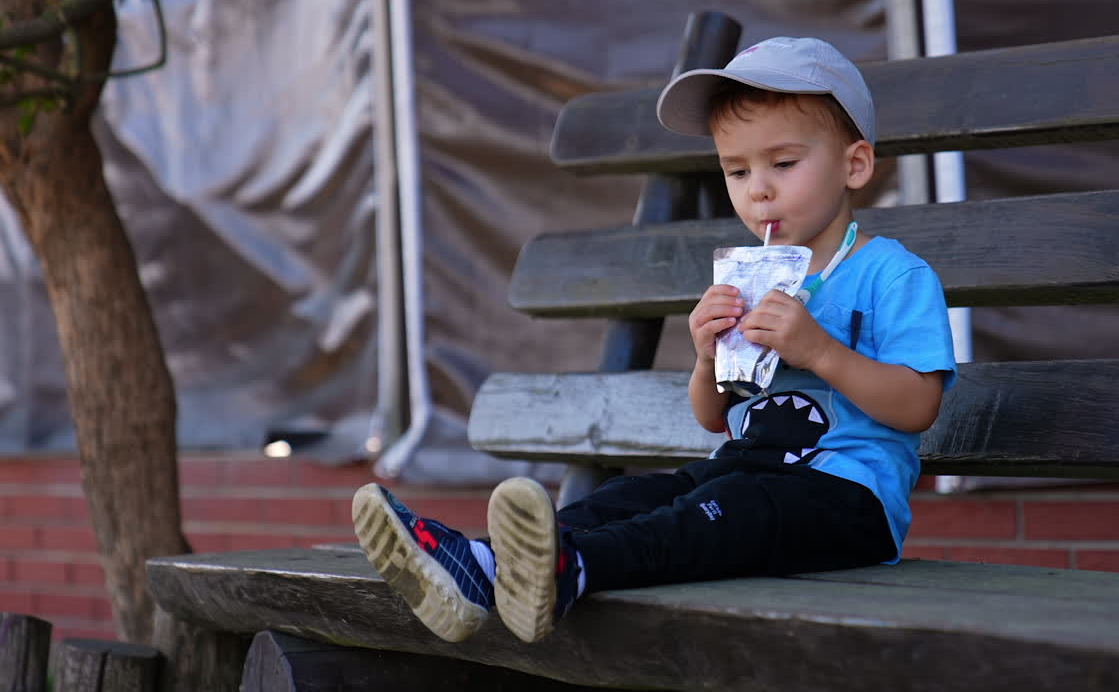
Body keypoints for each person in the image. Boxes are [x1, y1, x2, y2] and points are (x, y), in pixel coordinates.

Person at [351, 36, 956, 646]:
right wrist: (706, 358)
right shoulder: (751, 279)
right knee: (638, 494)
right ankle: (481, 568)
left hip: (848, 500)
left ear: (854, 165)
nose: (758, 189)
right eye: (737, 171)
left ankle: (571, 569)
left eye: (783, 163)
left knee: (716, 510)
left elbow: (918, 406)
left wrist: (821, 352)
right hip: (740, 470)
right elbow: (714, 418)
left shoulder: (890, 275)